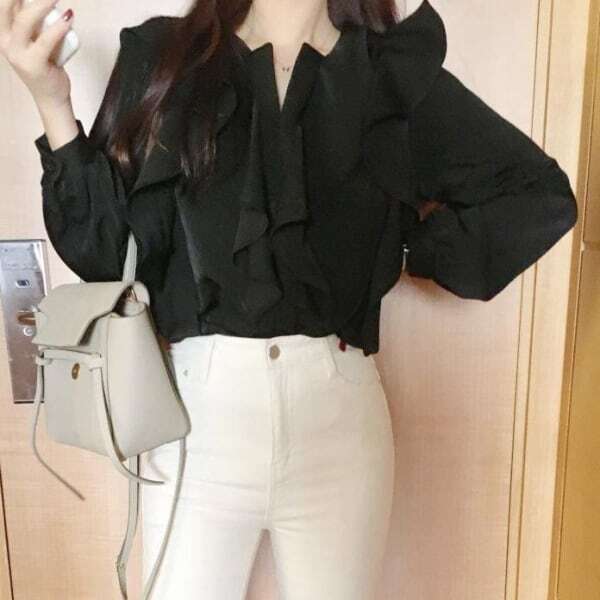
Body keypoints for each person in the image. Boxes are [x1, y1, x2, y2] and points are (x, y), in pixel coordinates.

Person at [1, 0, 578, 598]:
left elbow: (539, 194)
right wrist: (52, 101)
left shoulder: (389, 76)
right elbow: (105, 253)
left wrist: (406, 251)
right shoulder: (168, 60)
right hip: (197, 420)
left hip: (340, 420)